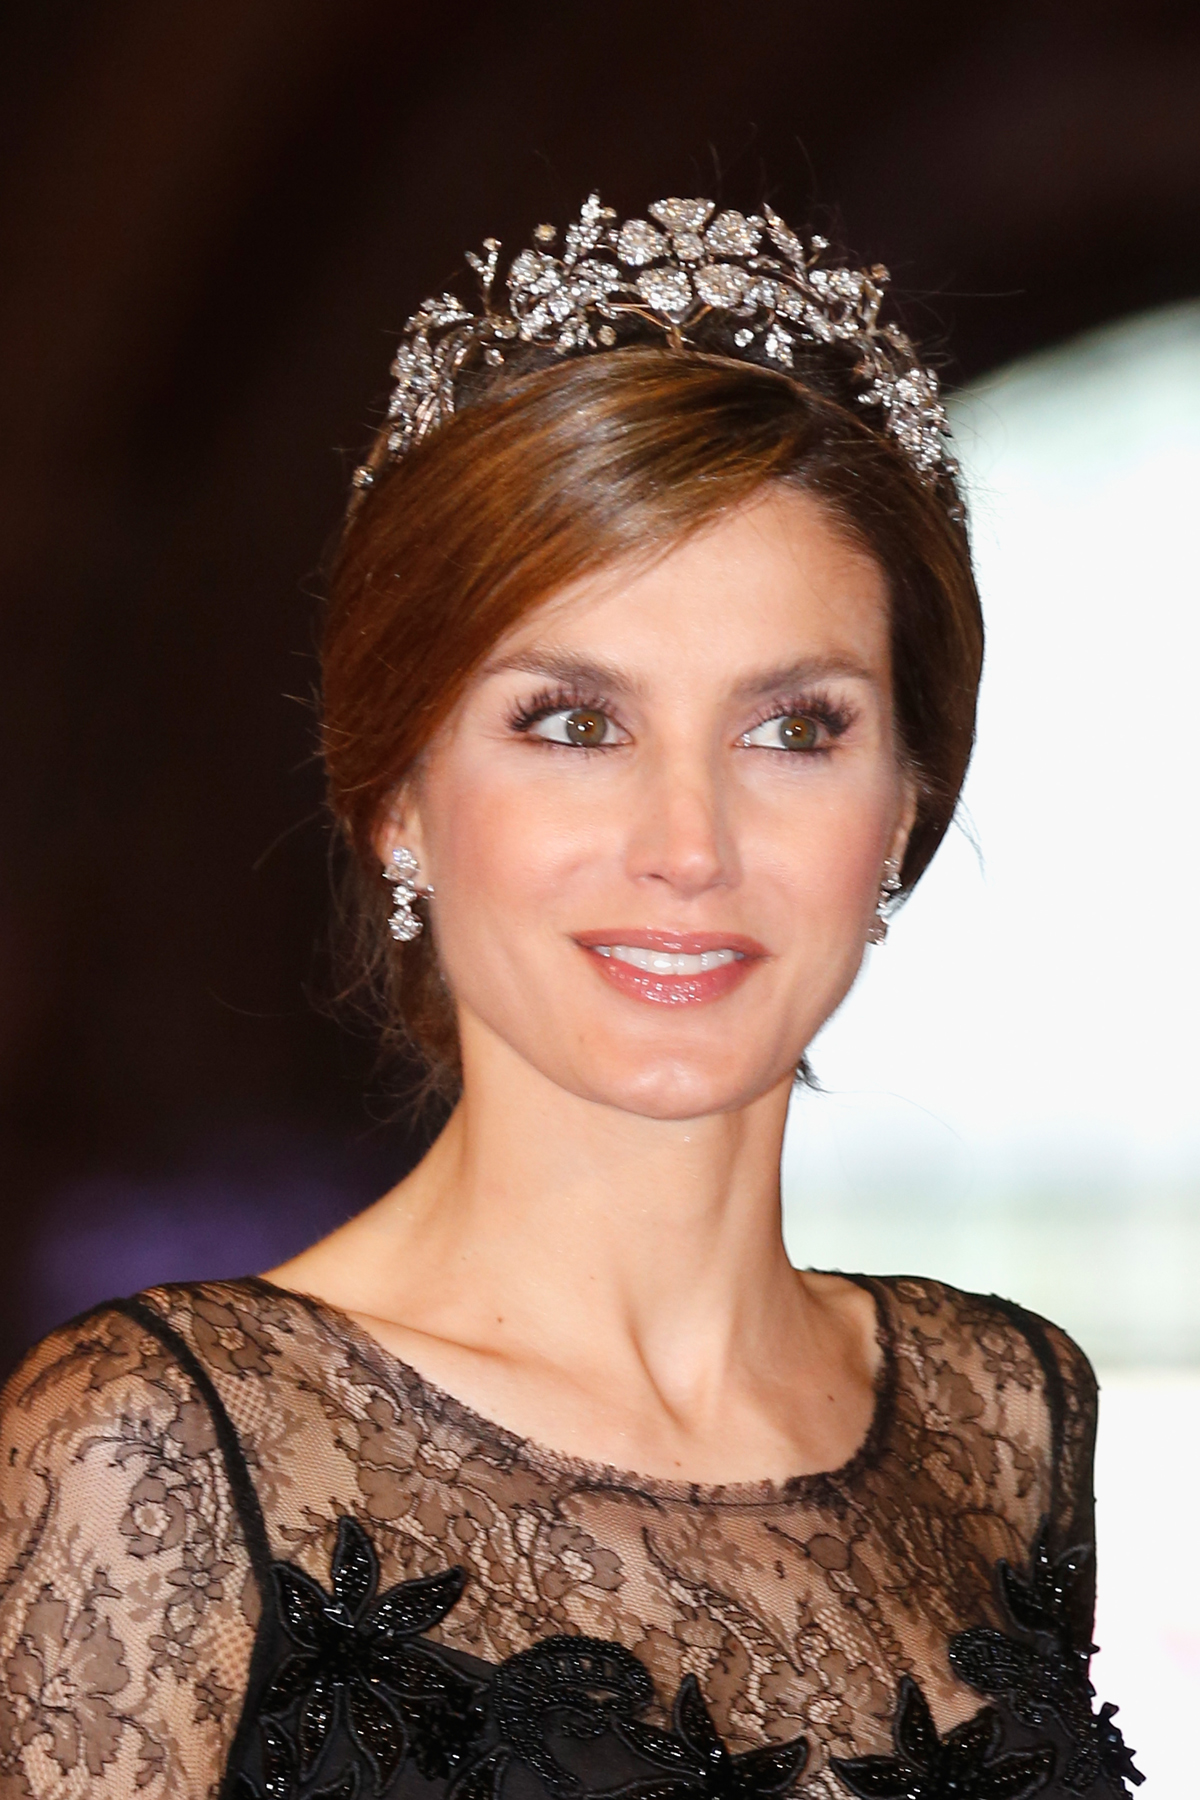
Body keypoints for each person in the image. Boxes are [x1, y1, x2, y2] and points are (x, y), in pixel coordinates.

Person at [0, 194, 1139, 1800]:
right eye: (573, 723)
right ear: (399, 792)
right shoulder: (159, 1448)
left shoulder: (1005, 1417)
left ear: (900, 806)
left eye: (793, 729)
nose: (689, 844)